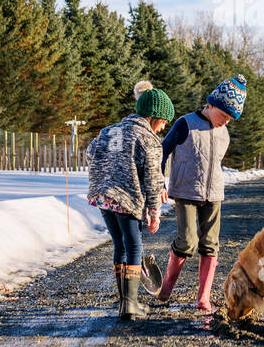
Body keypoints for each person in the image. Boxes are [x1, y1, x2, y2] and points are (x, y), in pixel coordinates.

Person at [154, 73, 247, 311]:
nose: (226, 121)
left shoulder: (224, 133)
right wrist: (159, 182)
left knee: (211, 244)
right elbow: (162, 151)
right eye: (224, 115)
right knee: (187, 241)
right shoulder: (186, 123)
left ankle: (203, 298)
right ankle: (166, 287)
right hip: (185, 192)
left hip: (214, 194)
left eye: (231, 119)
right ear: (212, 104)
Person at [85, 81, 174, 320]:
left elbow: (90, 153)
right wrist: (154, 212)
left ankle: (125, 301)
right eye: (163, 121)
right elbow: (155, 180)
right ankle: (130, 304)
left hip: (103, 197)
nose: (163, 128)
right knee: (134, 247)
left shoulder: (110, 130)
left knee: (120, 245)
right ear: (154, 116)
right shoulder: (148, 139)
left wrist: (109, 170)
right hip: (126, 198)